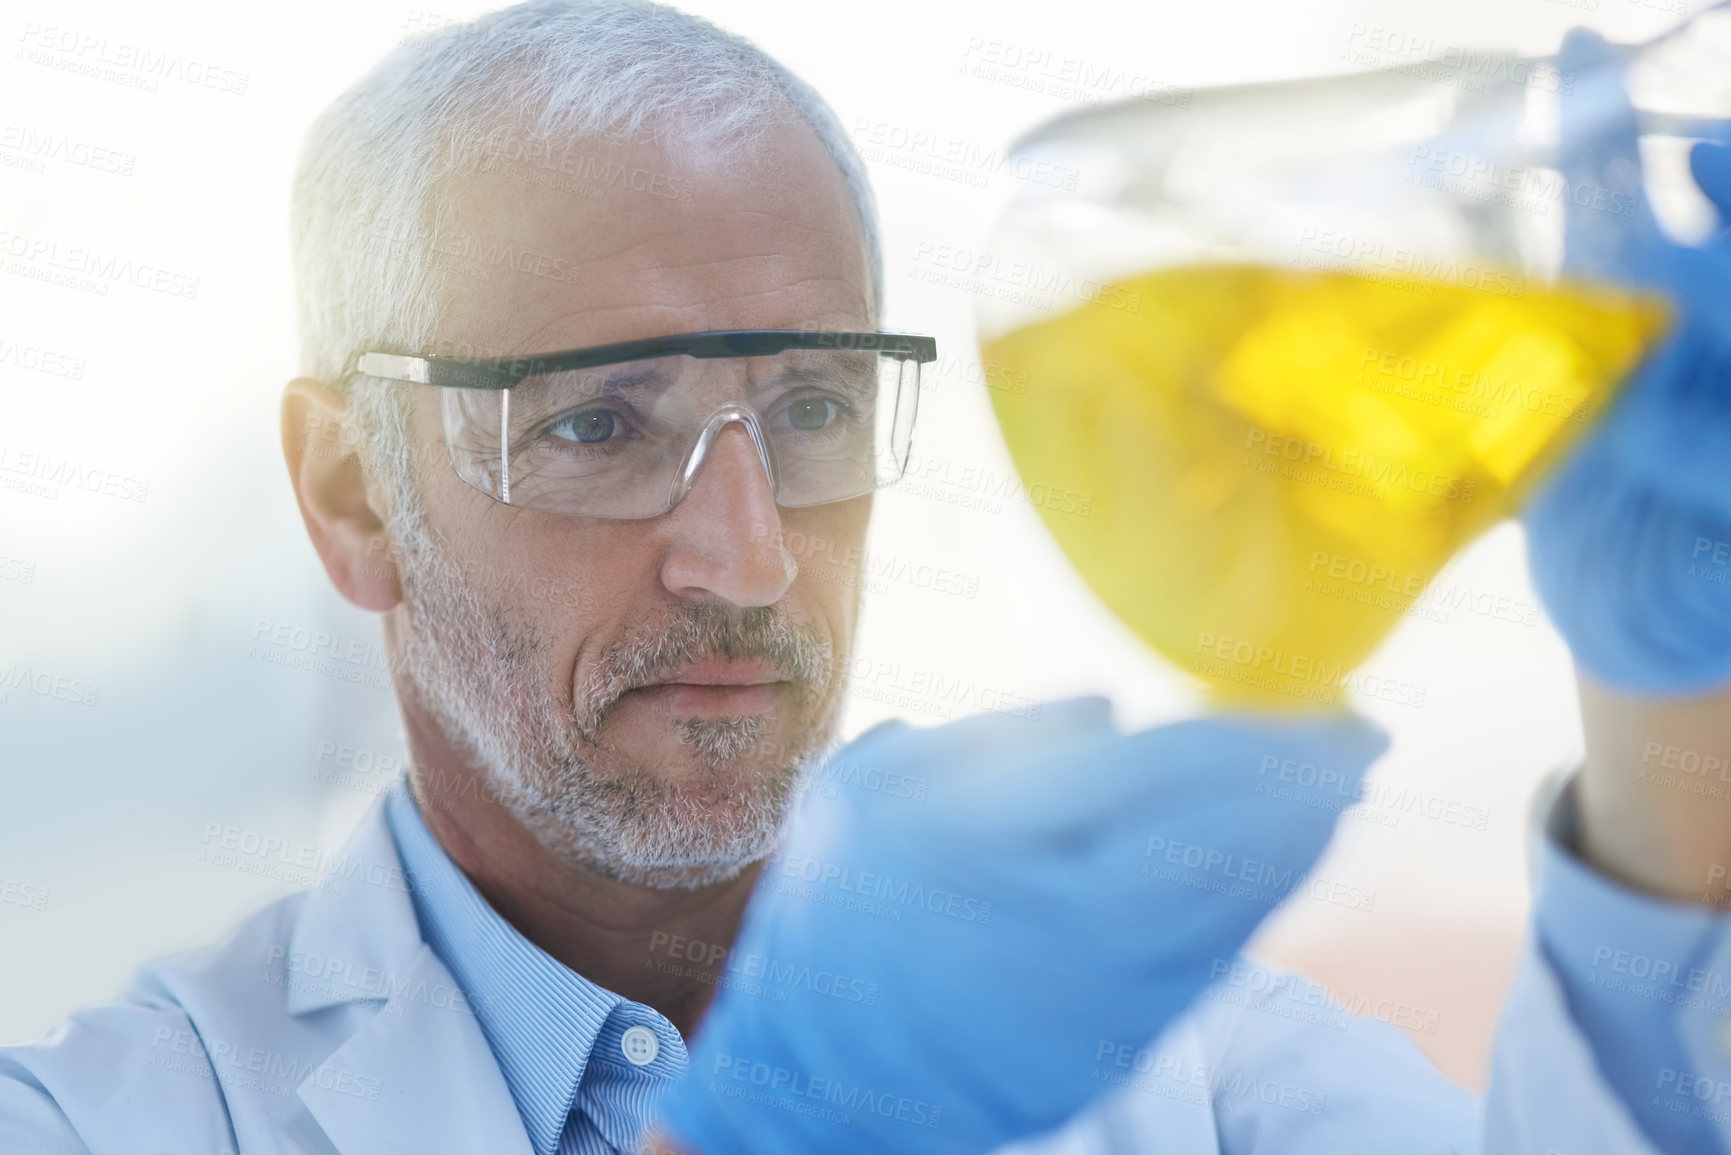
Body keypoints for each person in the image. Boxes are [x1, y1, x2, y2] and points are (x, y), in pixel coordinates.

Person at [0, 4, 1725, 1154]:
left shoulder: (1165, 1052)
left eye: (814, 408)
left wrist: (1677, 738)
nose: (749, 558)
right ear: (351, 492)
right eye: (600, 421)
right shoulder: (115, 1117)